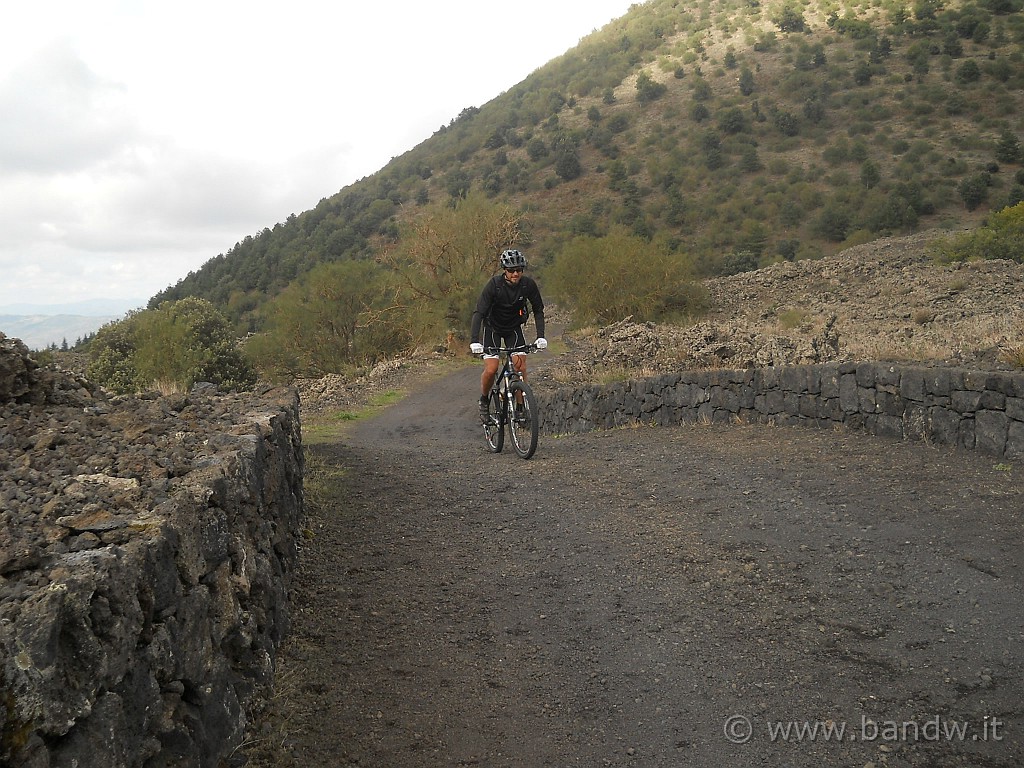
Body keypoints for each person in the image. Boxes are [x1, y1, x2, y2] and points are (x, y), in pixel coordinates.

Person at [470, 249, 547, 421]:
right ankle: (484, 400)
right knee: (491, 369)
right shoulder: (494, 285)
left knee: (520, 366)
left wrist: (540, 336)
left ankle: (520, 407)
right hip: (493, 328)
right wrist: (474, 341)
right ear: (504, 270)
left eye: (519, 270)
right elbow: (479, 312)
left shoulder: (527, 285)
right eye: (511, 270)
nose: (515, 273)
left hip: (513, 328)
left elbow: (538, 310)